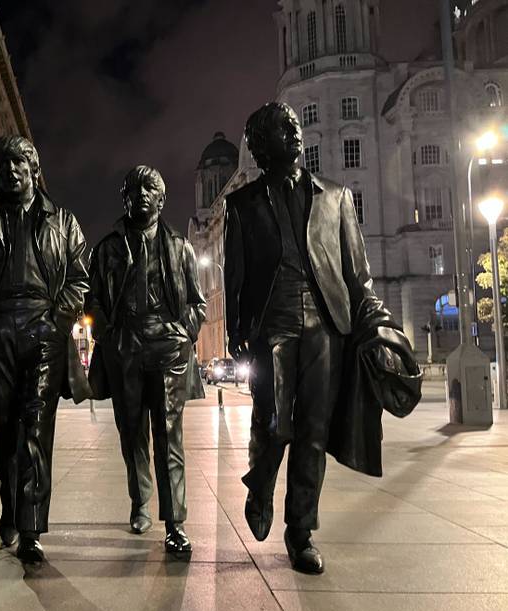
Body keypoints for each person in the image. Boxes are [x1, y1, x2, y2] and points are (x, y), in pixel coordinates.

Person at [223, 102, 374, 574]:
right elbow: (236, 275)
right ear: (261, 145)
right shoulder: (241, 205)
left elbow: (357, 274)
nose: (294, 133)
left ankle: (301, 531)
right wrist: (236, 330)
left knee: (313, 430)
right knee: (276, 424)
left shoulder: (336, 197)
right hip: (273, 319)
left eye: (295, 126)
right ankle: (262, 480)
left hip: (326, 321)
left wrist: (373, 323)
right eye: (281, 128)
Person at [0, 135, 90, 564]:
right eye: (2, 164)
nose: (10, 170)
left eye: (19, 162)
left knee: (35, 429)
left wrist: (58, 322)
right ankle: (9, 501)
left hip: (44, 331)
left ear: (33, 167)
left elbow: (79, 278)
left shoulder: (64, 221)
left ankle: (31, 526)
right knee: (5, 434)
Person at [85, 165, 205, 557]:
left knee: (169, 436)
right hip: (126, 345)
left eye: (149, 188)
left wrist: (183, 332)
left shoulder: (179, 247)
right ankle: (140, 503)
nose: (141, 195)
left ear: (161, 199)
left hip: (167, 348)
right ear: (124, 198)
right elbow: (94, 300)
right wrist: (108, 333)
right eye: (133, 189)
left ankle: (175, 523)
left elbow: (196, 303)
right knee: (132, 432)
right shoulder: (107, 249)